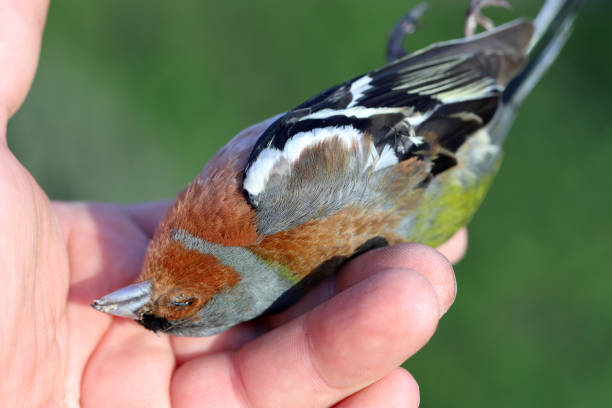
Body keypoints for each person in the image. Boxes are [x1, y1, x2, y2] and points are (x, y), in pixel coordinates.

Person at [0, 1, 466, 406]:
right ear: (226, 278)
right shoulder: (264, 192)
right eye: (181, 299)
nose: (127, 301)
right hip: (437, 121)